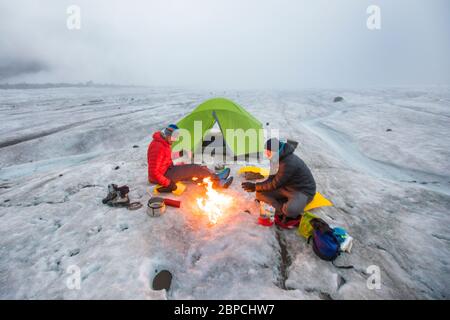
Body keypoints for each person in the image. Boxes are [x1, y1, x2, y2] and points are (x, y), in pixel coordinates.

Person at [241, 138, 316, 229]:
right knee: (260, 193)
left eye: (268, 152)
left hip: (302, 191)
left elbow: (274, 184)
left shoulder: (288, 163)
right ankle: (281, 208)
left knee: (290, 210)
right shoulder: (275, 158)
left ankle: (284, 210)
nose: (266, 154)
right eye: (266, 151)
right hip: (286, 187)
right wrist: (257, 187)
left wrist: (255, 186)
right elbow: (271, 178)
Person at [147, 124, 233, 192]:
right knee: (193, 168)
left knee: (194, 171)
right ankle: (218, 180)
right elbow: (153, 172)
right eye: (174, 137)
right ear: (168, 135)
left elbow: (165, 157)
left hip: (166, 170)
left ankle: (214, 180)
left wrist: (181, 153)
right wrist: (169, 184)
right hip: (164, 176)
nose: (174, 140)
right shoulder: (158, 147)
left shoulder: (163, 142)